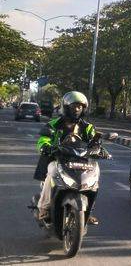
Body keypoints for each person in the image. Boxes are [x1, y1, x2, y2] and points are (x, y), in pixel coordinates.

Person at [34, 91, 99, 224]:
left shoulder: (87, 127)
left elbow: (94, 140)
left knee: (94, 177)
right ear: (66, 107)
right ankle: (43, 208)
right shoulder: (54, 124)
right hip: (58, 159)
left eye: (79, 106)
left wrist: (98, 147)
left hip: (80, 160)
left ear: (83, 109)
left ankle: (88, 210)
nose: (76, 109)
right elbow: (43, 139)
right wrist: (46, 146)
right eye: (74, 106)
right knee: (51, 173)